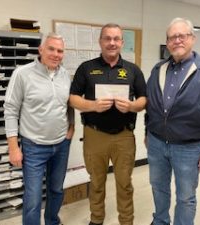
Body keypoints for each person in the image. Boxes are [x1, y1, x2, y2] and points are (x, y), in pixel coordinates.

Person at [145, 18, 200, 225]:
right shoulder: (159, 69)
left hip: (189, 148)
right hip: (157, 144)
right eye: (172, 37)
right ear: (167, 42)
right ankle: (160, 221)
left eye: (181, 36)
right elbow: (151, 106)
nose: (177, 40)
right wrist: (146, 134)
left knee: (185, 197)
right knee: (158, 188)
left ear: (192, 38)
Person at [69, 23, 147, 225]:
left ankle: (126, 220)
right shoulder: (86, 68)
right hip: (95, 136)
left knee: (124, 183)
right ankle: (97, 219)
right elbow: (73, 98)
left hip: (124, 136)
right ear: (100, 41)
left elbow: (144, 100)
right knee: (96, 182)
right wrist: (92, 105)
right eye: (107, 38)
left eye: (116, 39)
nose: (112, 43)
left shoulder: (133, 70)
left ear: (122, 42)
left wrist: (130, 106)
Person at [4, 33, 74, 225]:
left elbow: (68, 104)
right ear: (41, 50)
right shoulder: (22, 73)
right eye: (51, 49)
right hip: (34, 146)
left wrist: (71, 127)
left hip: (61, 145)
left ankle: (52, 221)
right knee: (33, 198)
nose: (56, 54)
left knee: (56, 190)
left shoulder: (65, 75)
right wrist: (13, 147)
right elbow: (10, 110)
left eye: (60, 51)